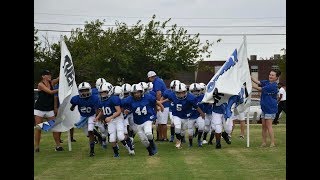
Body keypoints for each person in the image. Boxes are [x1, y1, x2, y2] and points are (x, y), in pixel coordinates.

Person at [122, 84, 164, 156]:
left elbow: (155, 102)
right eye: (134, 93)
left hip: (147, 118)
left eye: (138, 92)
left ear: (141, 92)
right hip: (138, 121)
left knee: (148, 133)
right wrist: (126, 111)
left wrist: (161, 106)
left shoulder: (148, 97)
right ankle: (150, 151)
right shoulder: (129, 99)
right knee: (143, 140)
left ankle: (152, 144)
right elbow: (122, 105)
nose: (136, 94)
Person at [95, 82, 134, 157]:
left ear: (109, 91)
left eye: (104, 92)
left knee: (121, 136)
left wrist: (110, 117)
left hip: (118, 119)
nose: (103, 93)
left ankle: (130, 147)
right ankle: (116, 154)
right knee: (112, 139)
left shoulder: (113, 99)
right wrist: (97, 117)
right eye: (101, 92)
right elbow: (103, 110)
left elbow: (119, 111)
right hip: (110, 121)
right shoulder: (101, 100)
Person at [34, 70, 63, 152]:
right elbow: (50, 92)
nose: (50, 76)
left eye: (50, 74)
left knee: (54, 127)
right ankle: (37, 146)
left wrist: (63, 69)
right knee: (38, 128)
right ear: (43, 76)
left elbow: (60, 78)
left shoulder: (52, 82)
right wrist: (60, 89)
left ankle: (58, 146)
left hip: (49, 109)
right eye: (47, 75)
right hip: (39, 109)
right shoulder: (40, 84)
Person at [70, 82, 100, 157]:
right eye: (82, 90)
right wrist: (72, 107)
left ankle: (92, 151)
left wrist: (97, 117)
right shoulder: (76, 98)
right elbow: (73, 105)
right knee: (88, 134)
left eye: (86, 90)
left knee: (90, 130)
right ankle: (98, 135)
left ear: (89, 90)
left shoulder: (94, 98)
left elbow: (97, 109)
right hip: (83, 117)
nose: (84, 92)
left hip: (91, 115)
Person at [251, 70, 280, 147]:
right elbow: (257, 82)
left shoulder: (273, 86)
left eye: (273, 75)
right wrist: (249, 77)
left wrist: (250, 85)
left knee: (268, 125)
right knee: (263, 126)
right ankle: (263, 142)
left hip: (270, 108)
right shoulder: (267, 82)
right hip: (264, 108)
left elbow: (260, 88)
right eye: (270, 74)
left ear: (276, 77)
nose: (270, 76)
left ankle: (272, 143)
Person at [147, 71, 170, 141]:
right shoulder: (157, 81)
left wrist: (158, 104)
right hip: (162, 104)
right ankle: (160, 137)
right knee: (159, 122)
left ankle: (164, 137)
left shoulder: (157, 82)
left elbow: (159, 93)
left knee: (163, 123)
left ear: (151, 77)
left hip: (163, 105)